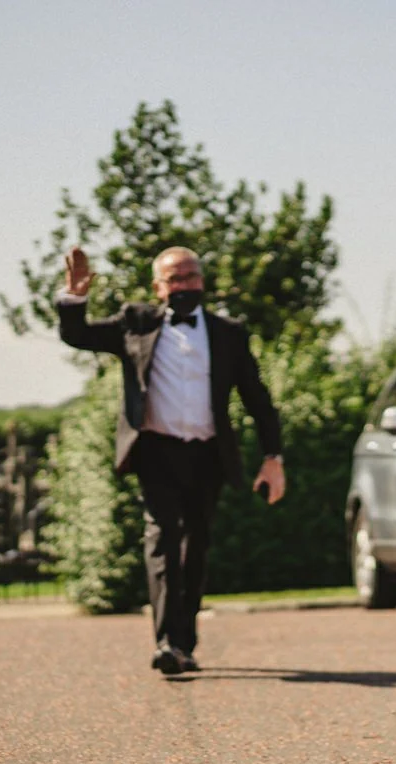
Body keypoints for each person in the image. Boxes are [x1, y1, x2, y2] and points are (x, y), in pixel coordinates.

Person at [58, 245, 285, 676]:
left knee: (195, 547)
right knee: (162, 539)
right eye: (174, 279)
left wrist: (273, 457)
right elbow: (79, 336)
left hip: (207, 454)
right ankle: (167, 642)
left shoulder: (228, 332)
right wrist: (74, 299)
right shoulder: (136, 324)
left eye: (190, 277)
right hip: (156, 452)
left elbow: (257, 398)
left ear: (202, 280)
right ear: (158, 287)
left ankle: (185, 640)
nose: (184, 286)